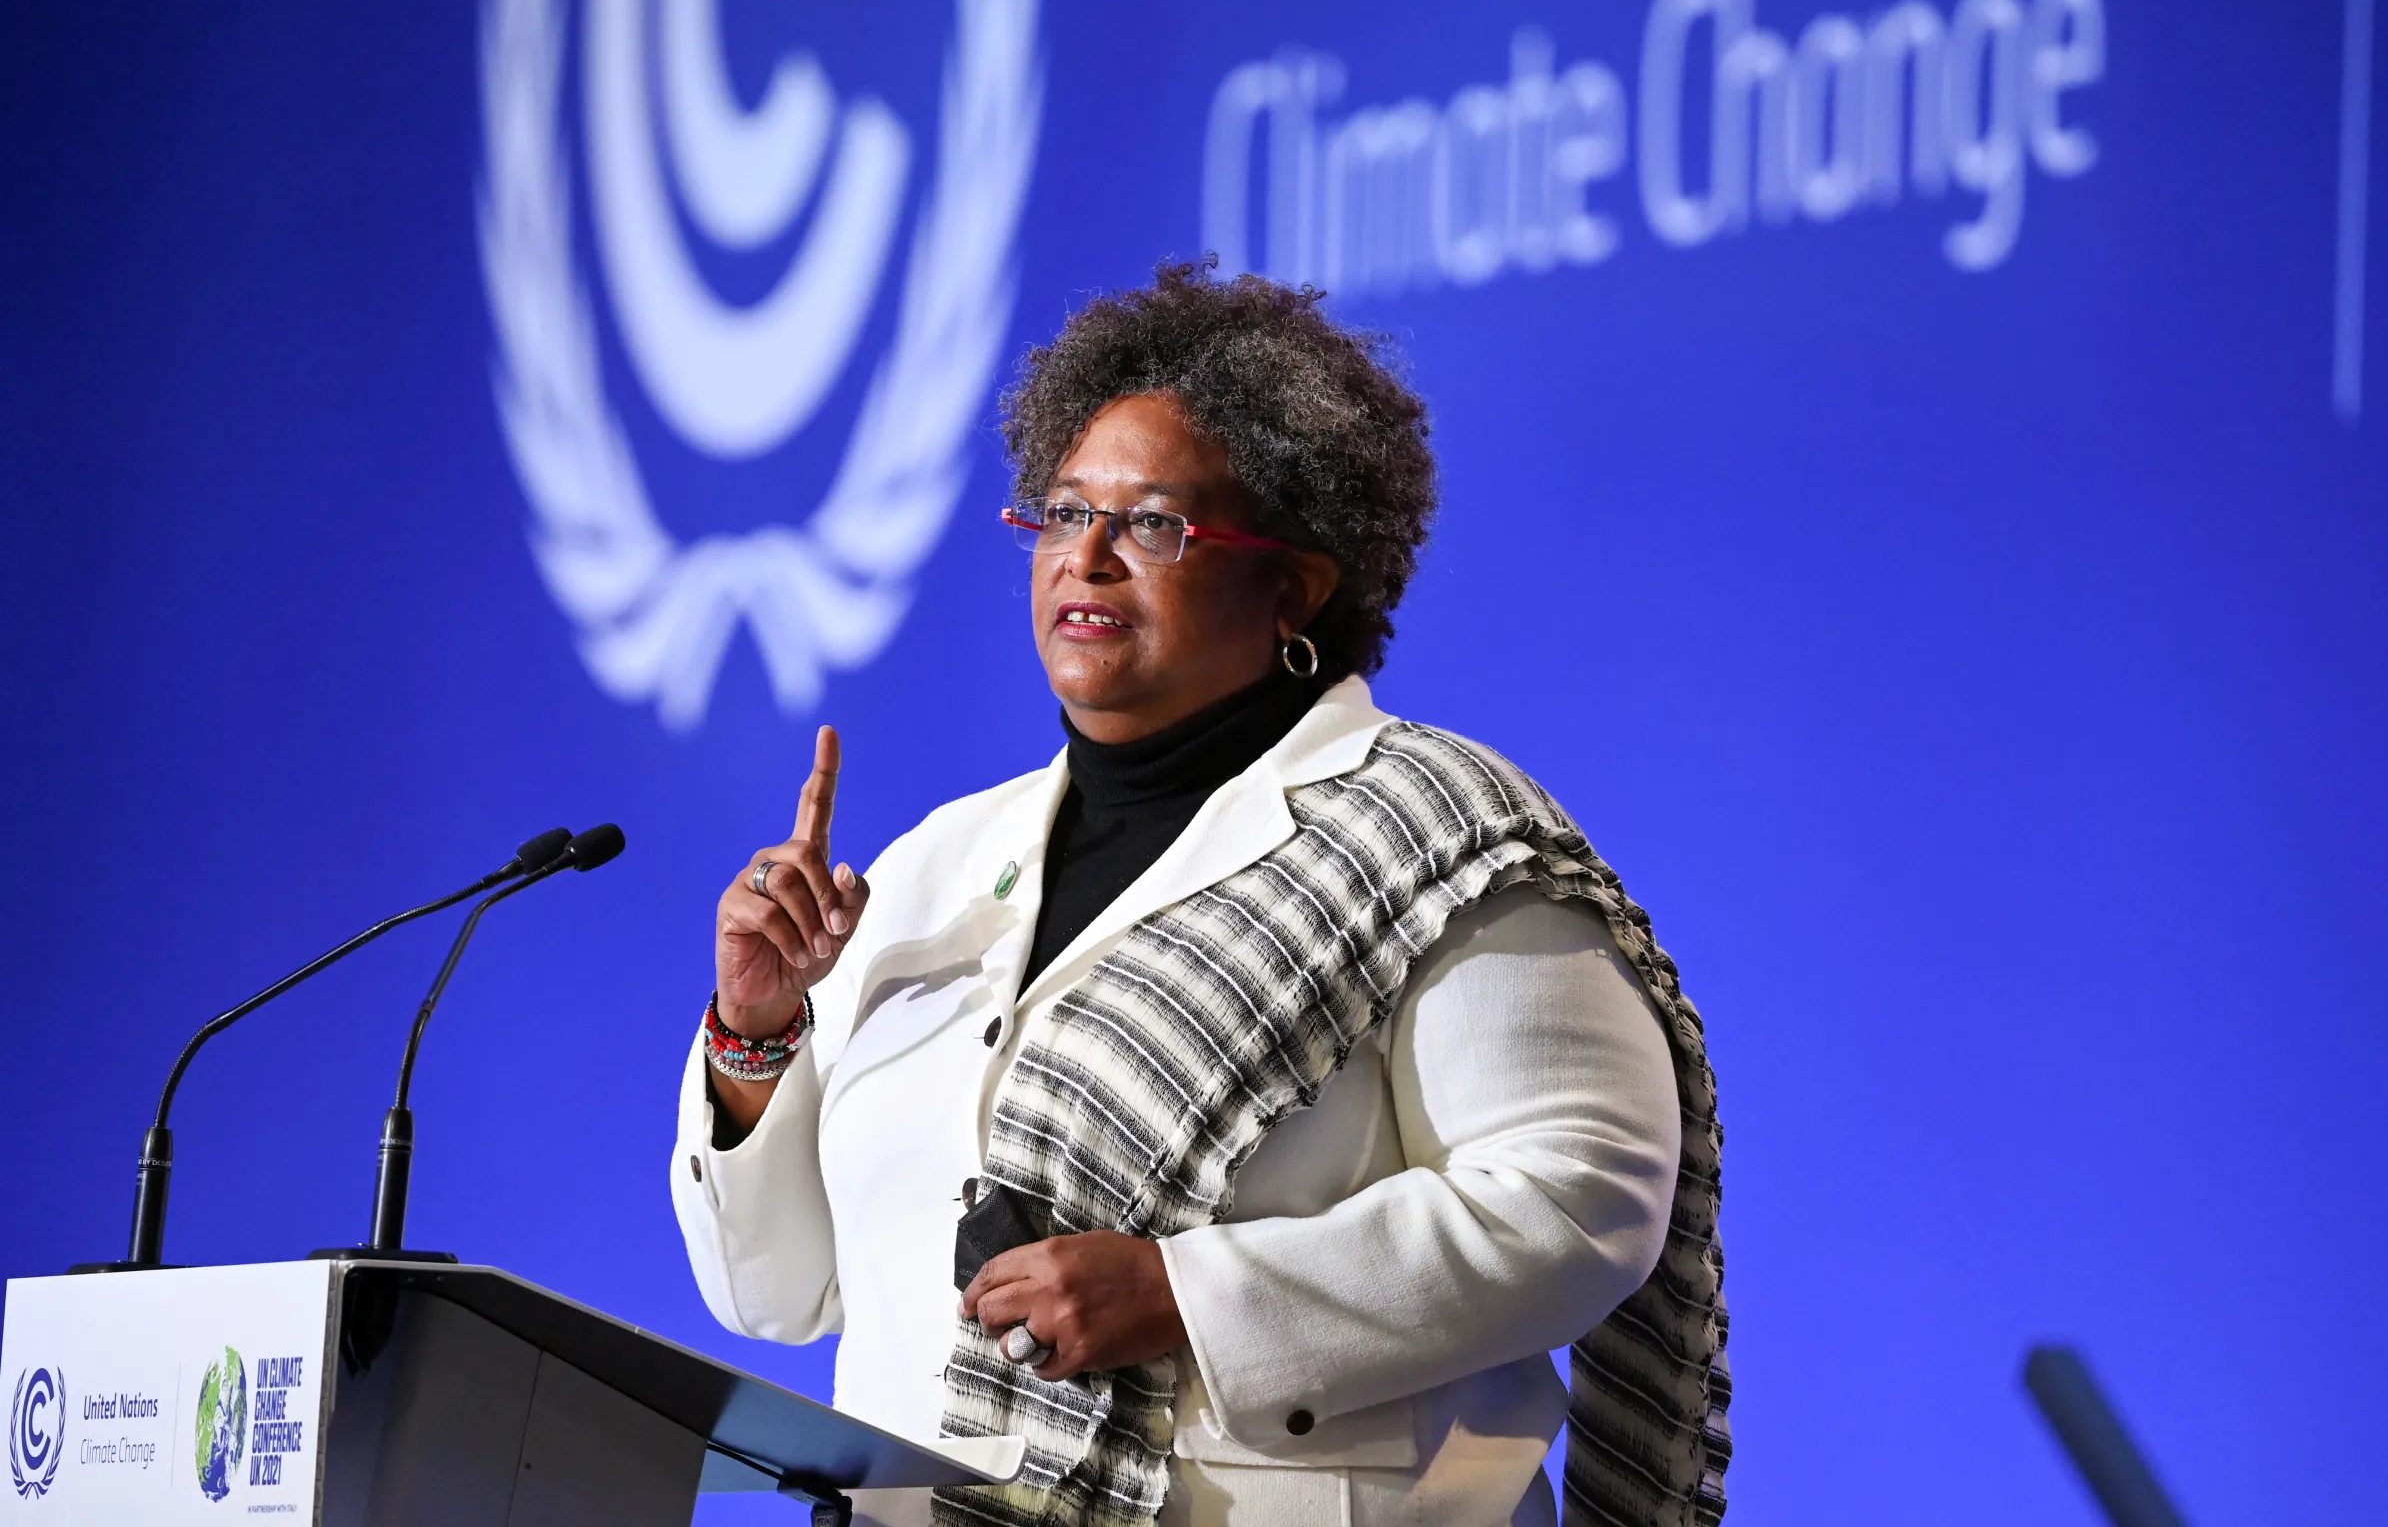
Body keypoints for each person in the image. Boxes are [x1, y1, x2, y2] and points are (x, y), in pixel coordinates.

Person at [671, 262, 1730, 1527]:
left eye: (1154, 523)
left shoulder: (1434, 831)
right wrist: (755, 1036)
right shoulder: (932, 866)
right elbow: (777, 1294)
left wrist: (1191, 1294)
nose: (1090, 558)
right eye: (1062, 514)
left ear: (1298, 585)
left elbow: (1580, 1196)